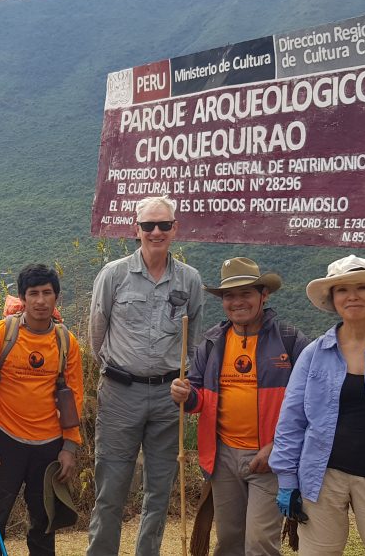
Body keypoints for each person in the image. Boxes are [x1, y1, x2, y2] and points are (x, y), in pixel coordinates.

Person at [269, 255, 365, 555]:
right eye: (342, 290)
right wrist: (287, 479)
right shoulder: (314, 354)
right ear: (332, 299)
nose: (352, 296)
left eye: (362, 288)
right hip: (322, 476)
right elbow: (292, 421)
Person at [87, 195, 204, 556]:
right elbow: (97, 335)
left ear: (175, 229)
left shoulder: (190, 279)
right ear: (136, 229)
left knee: (160, 489)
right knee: (111, 488)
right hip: (121, 393)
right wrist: (118, 372)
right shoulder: (114, 274)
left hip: (170, 396)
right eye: (148, 225)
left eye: (164, 225)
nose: (156, 232)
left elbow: (194, 340)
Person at [170, 257, 308, 555]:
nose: (237, 301)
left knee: (260, 541)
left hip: (270, 456)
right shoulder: (211, 342)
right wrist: (184, 394)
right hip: (222, 457)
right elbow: (197, 398)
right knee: (230, 540)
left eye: (246, 293)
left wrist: (277, 446)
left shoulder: (289, 340)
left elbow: (312, 399)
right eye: (229, 295)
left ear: (263, 295)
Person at [0, 264, 84, 555]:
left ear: (56, 297)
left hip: (48, 446)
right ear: (22, 298)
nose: (41, 300)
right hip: (5, 442)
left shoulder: (66, 342)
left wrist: (69, 447)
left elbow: (75, 398)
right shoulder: (0, 335)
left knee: (44, 524)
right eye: (33, 293)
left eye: (47, 293)